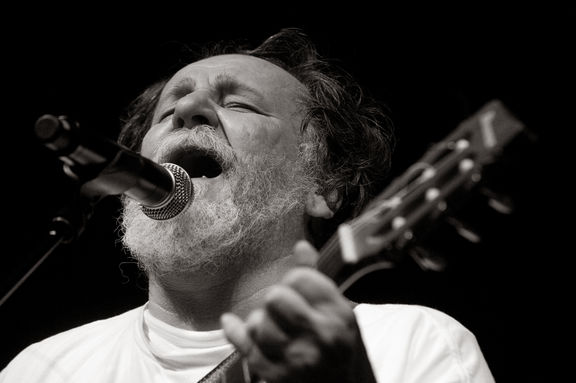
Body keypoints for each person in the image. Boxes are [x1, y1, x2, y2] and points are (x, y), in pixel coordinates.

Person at [0, 28, 495, 382]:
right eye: (169, 109)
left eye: (239, 104)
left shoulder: (407, 343)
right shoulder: (42, 368)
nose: (190, 111)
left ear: (323, 187)